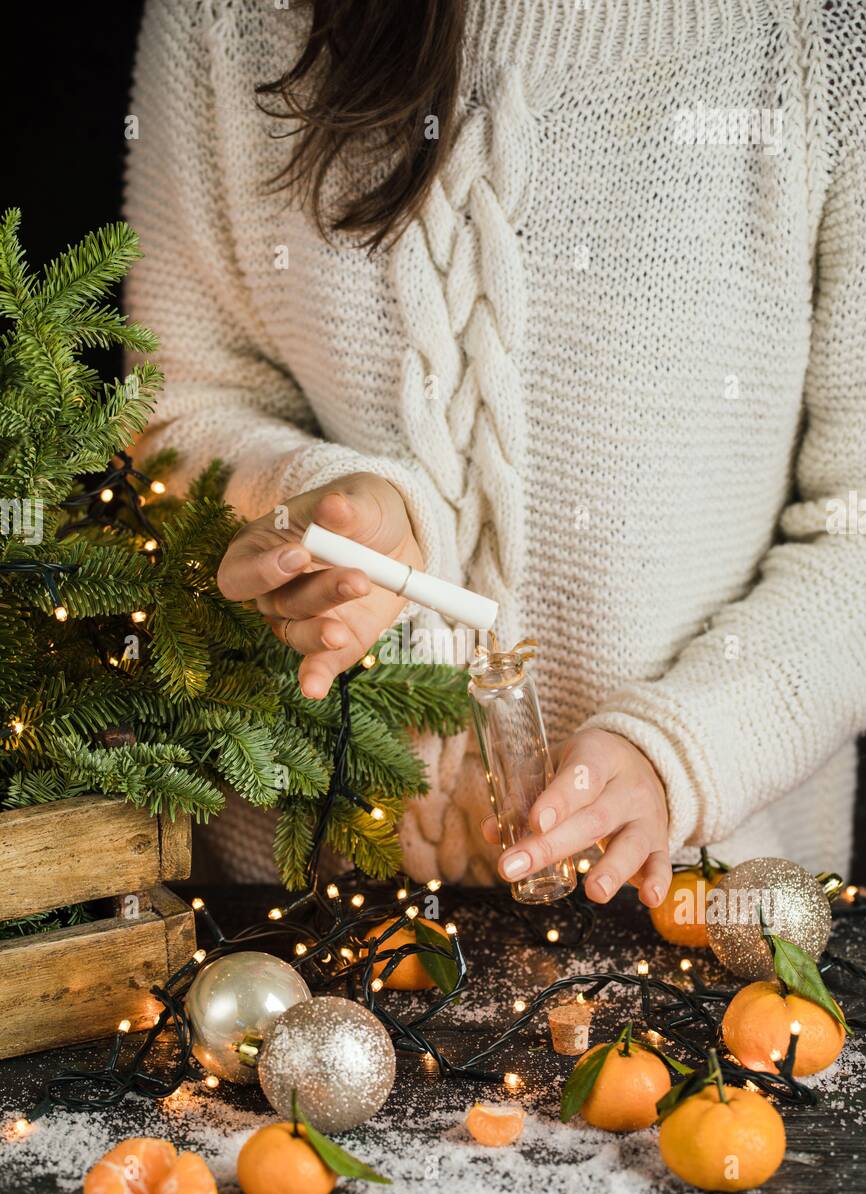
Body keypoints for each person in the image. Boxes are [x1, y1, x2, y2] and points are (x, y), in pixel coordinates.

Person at [124, 0, 866, 899]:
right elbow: (179, 408)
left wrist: (684, 747)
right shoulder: (227, 21)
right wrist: (319, 502)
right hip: (299, 920)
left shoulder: (821, 38)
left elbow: (853, 525)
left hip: (703, 928)